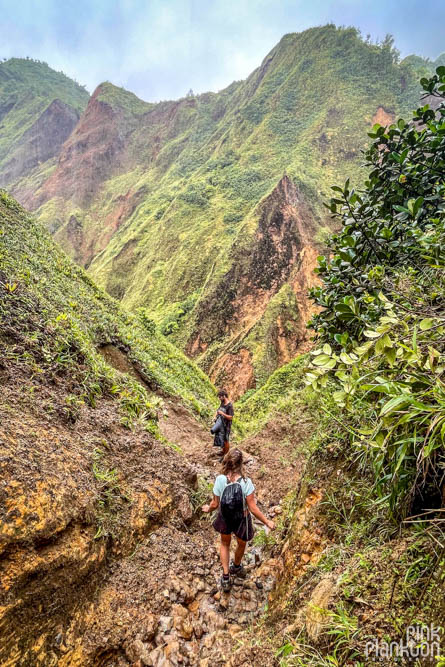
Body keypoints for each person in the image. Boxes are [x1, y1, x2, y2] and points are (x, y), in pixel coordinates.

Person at [202, 448, 275, 591]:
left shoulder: (220, 479)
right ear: (241, 464)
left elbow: (215, 503)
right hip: (242, 518)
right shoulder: (247, 482)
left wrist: (208, 509)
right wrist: (267, 522)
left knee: (224, 543)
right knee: (242, 543)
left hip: (225, 517)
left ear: (226, 462)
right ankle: (236, 566)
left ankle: (225, 577)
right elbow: (253, 508)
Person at [216, 388, 233, 457]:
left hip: (227, 425)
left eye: (220, 397)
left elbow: (231, 417)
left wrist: (222, 414)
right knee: (221, 438)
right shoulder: (222, 402)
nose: (219, 398)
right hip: (221, 424)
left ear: (224, 396)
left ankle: (226, 454)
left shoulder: (230, 406)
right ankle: (223, 451)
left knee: (226, 439)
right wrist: (215, 416)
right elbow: (218, 410)